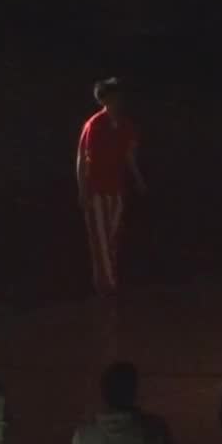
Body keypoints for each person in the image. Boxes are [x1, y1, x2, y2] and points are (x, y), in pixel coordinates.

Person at [75, 77, 148, 297]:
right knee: (100, 237)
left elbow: (129, 156)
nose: (116, 101)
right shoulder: (94, 125)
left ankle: (106, 280)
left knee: (112, 236)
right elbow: (81, 158)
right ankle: (107, 286)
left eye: (118, 97)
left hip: (116, 189)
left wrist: (138, 179)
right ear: (104, 100)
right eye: (111, 97)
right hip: (96, 189)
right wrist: (82, 189)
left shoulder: (126, 126)